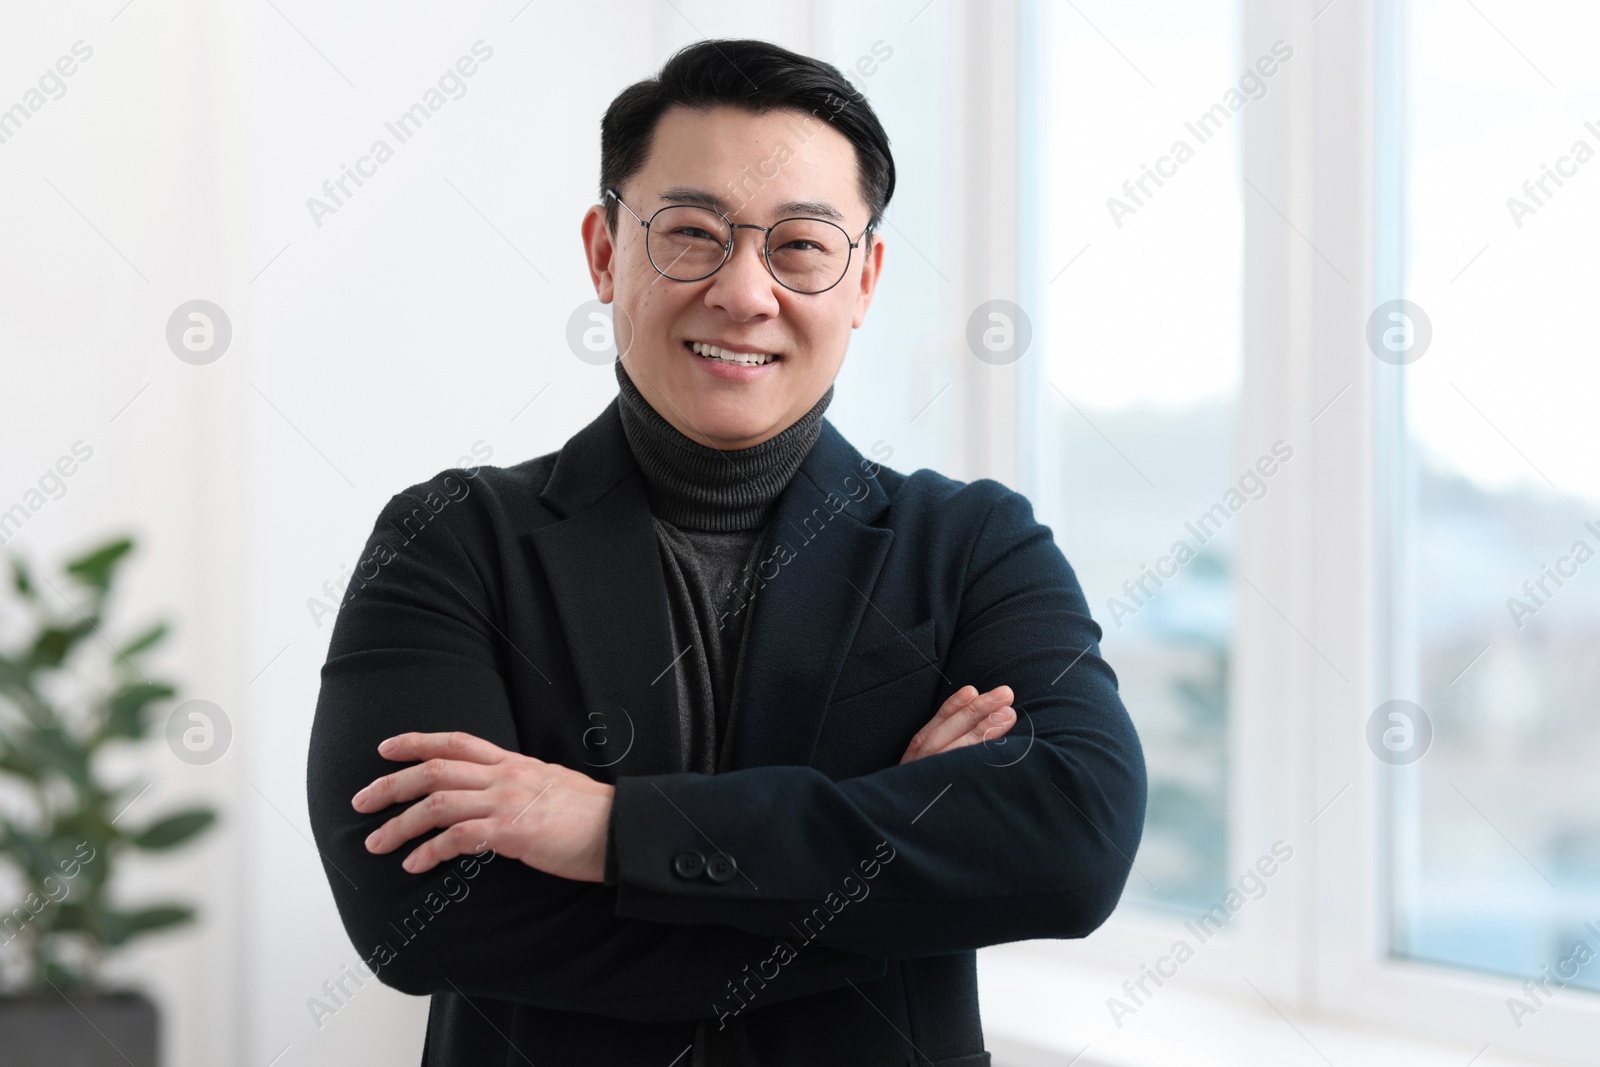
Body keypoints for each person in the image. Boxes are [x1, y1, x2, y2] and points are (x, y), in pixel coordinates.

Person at [306, 37, 1146, 1067]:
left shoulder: (973, 546)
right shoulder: (450, 542)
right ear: (606, 250)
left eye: (799, 246)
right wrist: (899, 871)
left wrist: (611, 831)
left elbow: (1073, 844)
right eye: (692, 234)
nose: (744, 293)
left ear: (864, 278)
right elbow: (418, 916)